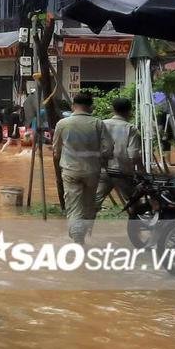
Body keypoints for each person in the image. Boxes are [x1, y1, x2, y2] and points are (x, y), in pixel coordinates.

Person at [52, 91, 112, 243]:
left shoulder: (62, 124)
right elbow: (109, 148)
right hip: (92, 171)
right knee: (88, 204)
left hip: (70, 170)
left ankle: (77, 237)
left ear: (73, 106)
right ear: (90, 107)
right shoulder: (98, 123)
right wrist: (100, 157)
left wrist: (60, 168)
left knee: (73, 205)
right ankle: (82, 234)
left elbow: (56, 150)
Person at [95, 96, 144, 209]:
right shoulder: (131, 129)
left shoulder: (100, 124)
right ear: (129, 111)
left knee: (94, 202)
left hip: (102, 170)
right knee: (134, 202)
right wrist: (141, 171)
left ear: (113, 109)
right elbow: (134, 156)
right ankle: (133, 225)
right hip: (123, 172)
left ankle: (83, 225)